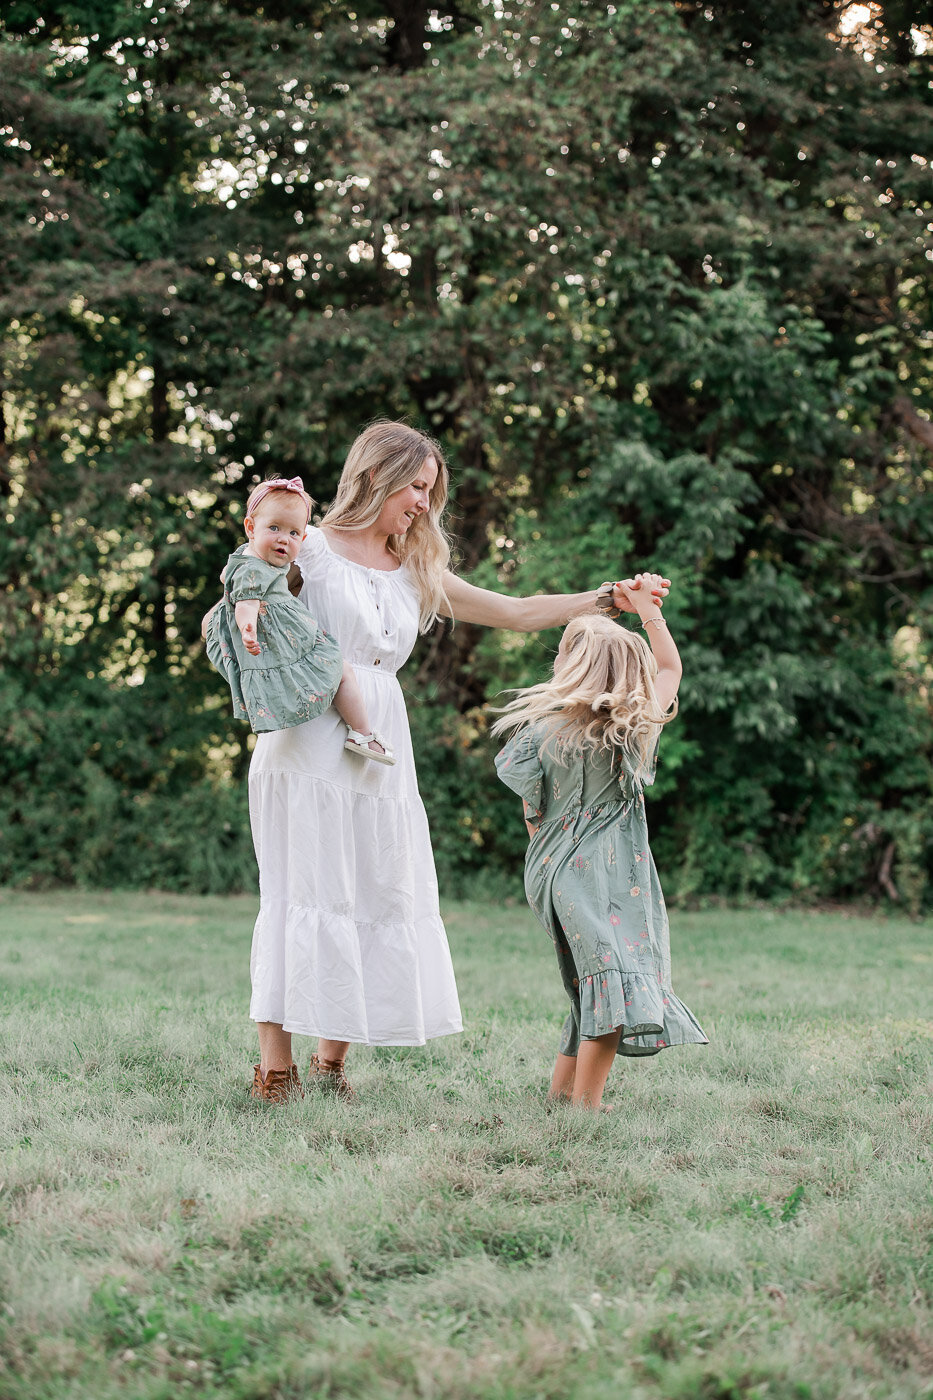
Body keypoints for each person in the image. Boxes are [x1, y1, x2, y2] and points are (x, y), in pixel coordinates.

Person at [202, 422, 669, 1104]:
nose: (422, 502)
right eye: (415, 487)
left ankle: (334, 1061)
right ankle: (277, 1068)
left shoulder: (413, 569)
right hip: (305, 737)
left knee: (374, 888)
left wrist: (604, 599)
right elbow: (240, 598)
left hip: (381, 741)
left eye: (429, 490)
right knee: (299, 892)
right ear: (375, 477)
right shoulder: (312, 549)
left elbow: (513, 612)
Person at [493, 577, 707, 1111]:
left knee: (589, 981)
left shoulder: (542, 731)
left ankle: (563, 1094)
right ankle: (586, 1106)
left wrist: (550, 866)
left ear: (570, 665)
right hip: (610, 875)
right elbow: (671, 669)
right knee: (612, 980)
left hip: (551, 873)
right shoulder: (630, 727)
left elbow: (532, 815)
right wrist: (647, 613)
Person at [207, 476, 393, 762]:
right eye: (274, 528)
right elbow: (246, 603)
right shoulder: (250, 567)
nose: (284, 538)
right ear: (250, 528)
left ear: (303, 539)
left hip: (288, 636)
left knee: (339, 671)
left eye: (294, 533)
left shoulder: (262, 563)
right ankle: (362, 733)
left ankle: (360, 732)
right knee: (338, 669)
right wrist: (248, 628)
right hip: (277, 640)